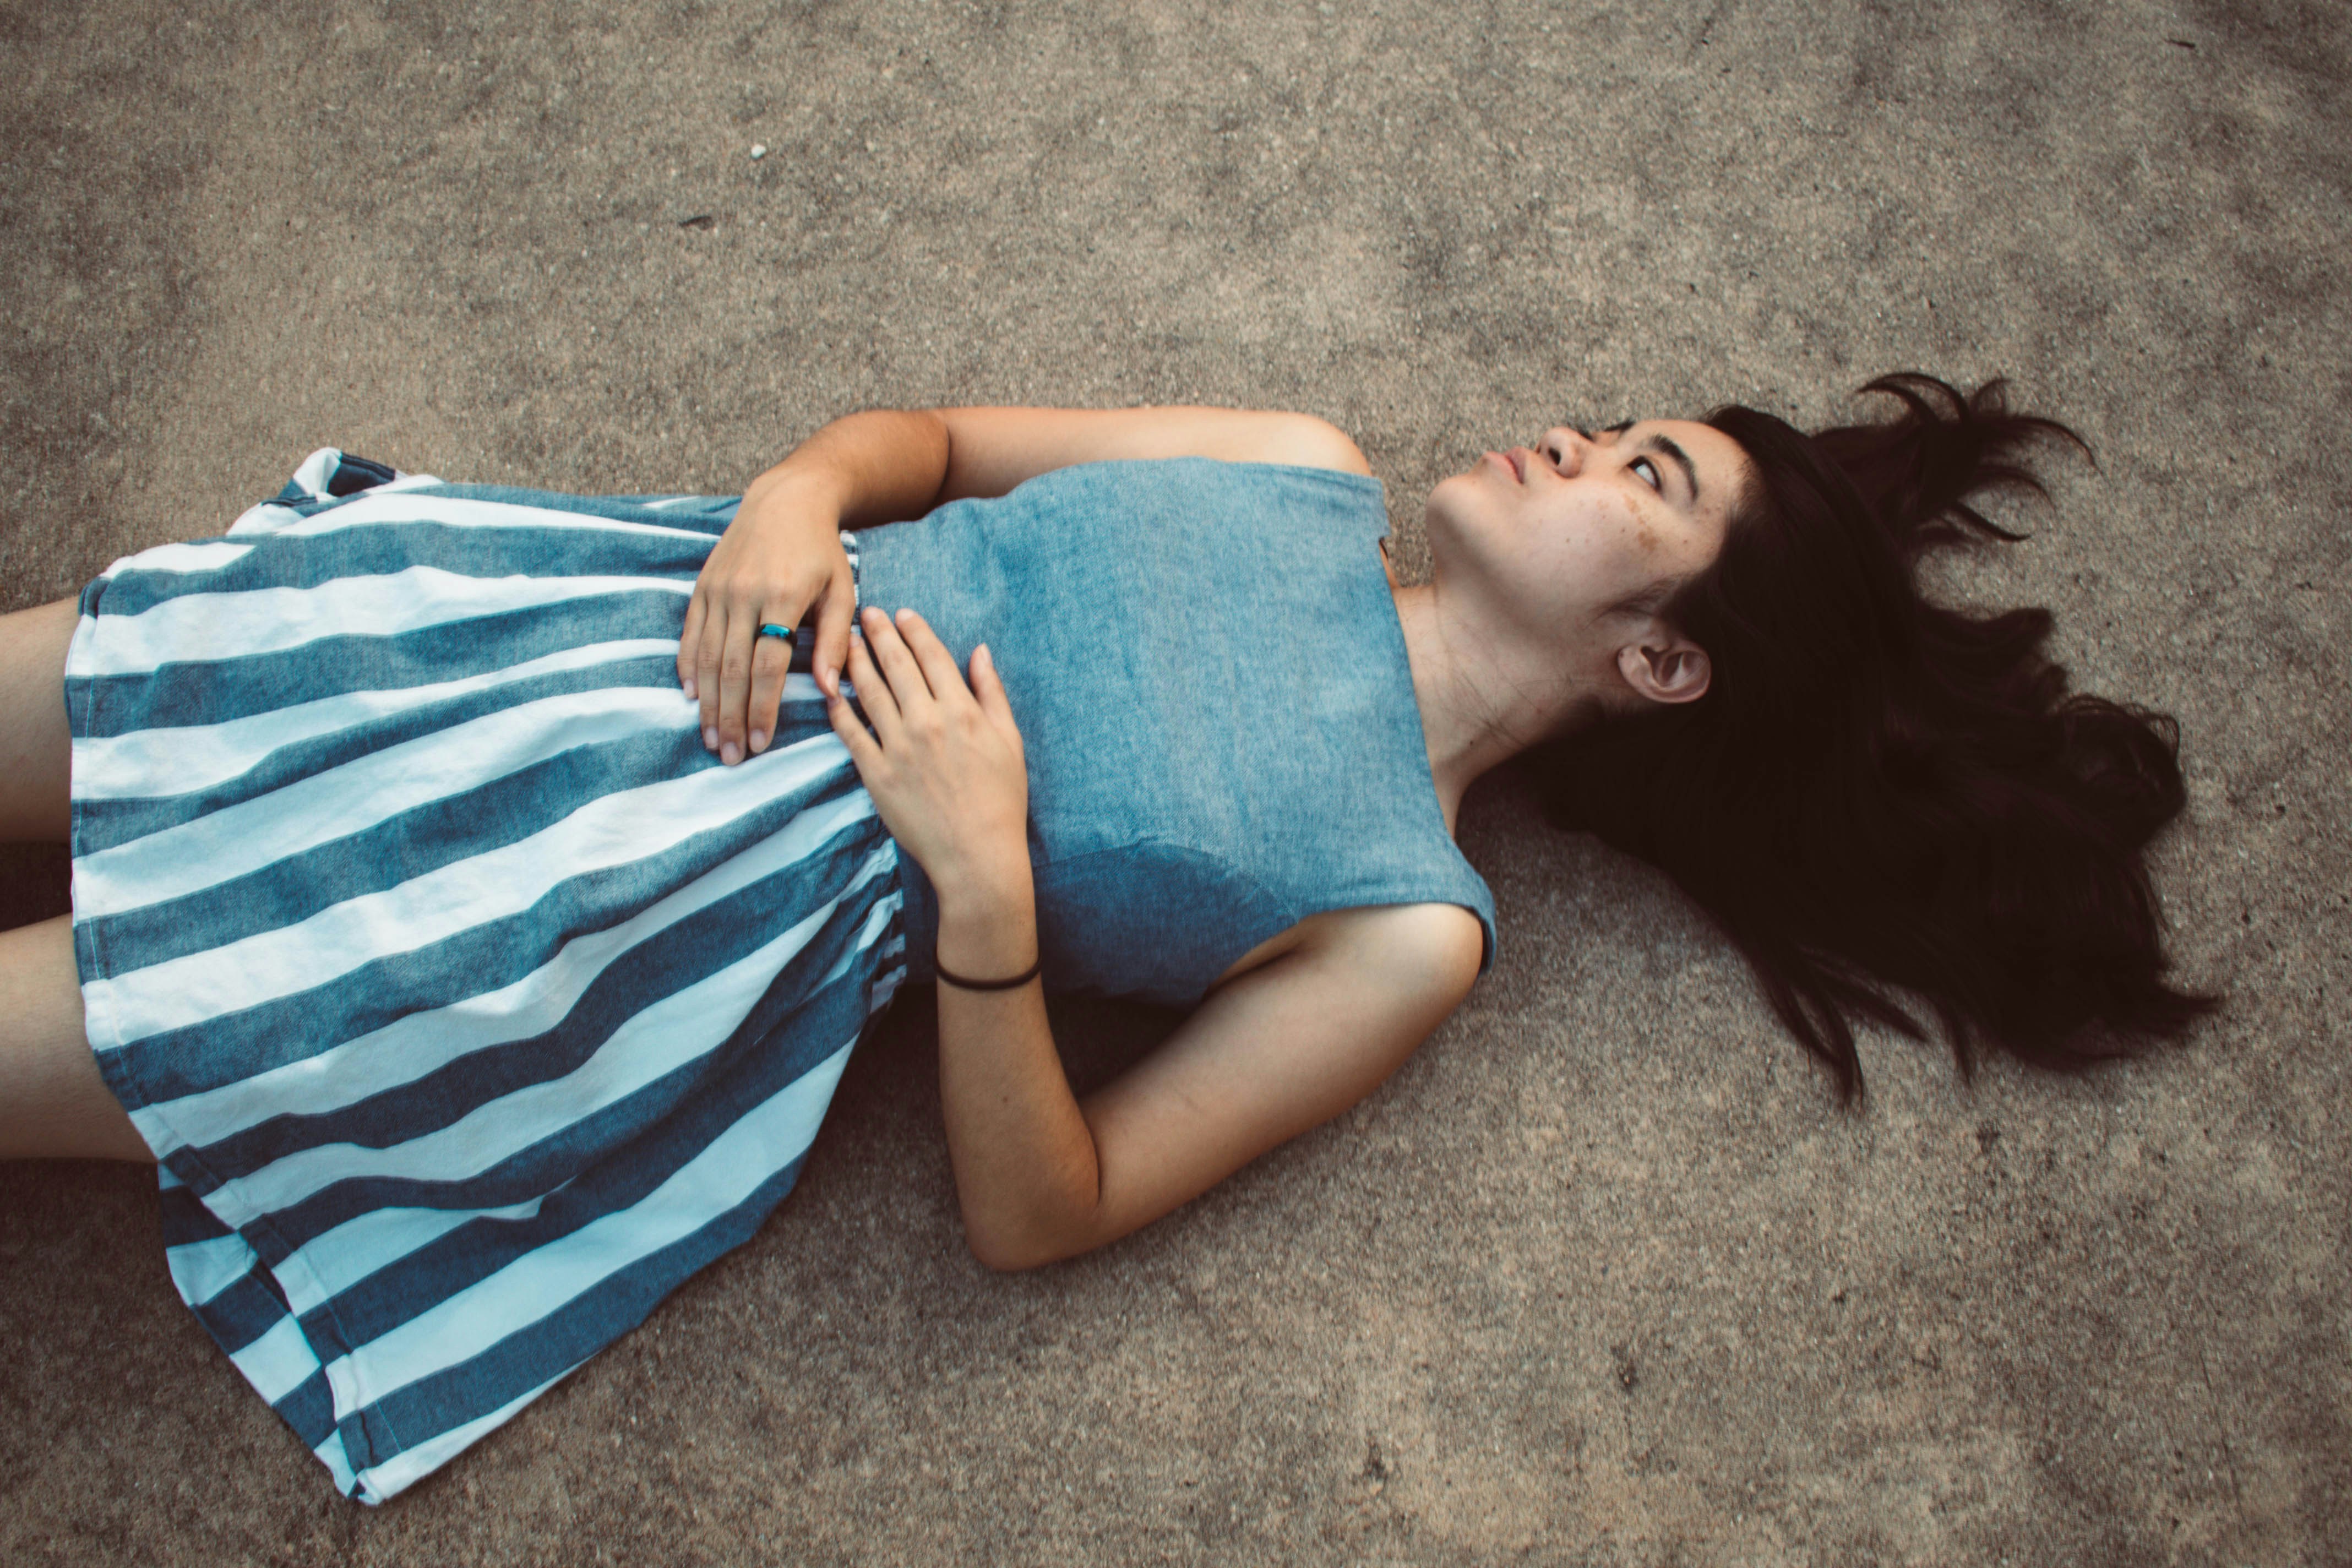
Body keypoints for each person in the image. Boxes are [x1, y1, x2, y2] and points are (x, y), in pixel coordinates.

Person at [0, 376, 2211, 1500]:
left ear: (1662, 664)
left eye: (1647, 478)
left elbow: (1045, 1210)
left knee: (144, 1005)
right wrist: (795, 496)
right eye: (1629, 426)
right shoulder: (1291, 461)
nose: (1580, 435)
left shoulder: (1408, 923)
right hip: (604, 632)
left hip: (623, 927)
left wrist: (982, 895)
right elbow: (936, 437)